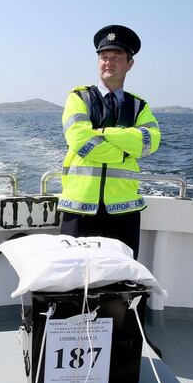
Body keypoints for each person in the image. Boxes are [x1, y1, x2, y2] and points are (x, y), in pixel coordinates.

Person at [58, 24, 161, 260]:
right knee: (74, 279)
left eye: (116, 57)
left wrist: (104, 131)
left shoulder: (139, 106)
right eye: (104, 57)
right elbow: (80, 141)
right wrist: (124, 152)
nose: (108, 62)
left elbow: (148, 143)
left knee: (121, 278)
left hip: (124, 209)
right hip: (79, 206)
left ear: (130, 64)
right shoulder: (78, 97)